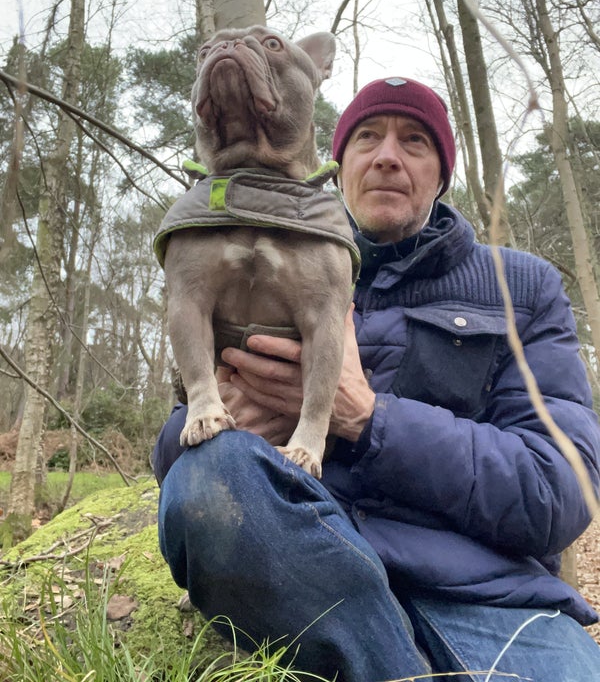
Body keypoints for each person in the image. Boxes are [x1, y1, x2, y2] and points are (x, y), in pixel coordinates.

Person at [153, 77, 600, 681]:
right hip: (312, 568)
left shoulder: (520, 286)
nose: (387, 155)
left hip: (487, 595)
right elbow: (176, 466)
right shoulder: (255, 262)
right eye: (367, 137)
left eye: (414, 141)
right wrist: (226, 415)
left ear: (442, 175)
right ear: (337, 168)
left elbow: (558, 492)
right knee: (211, 472)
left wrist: (367, 418)